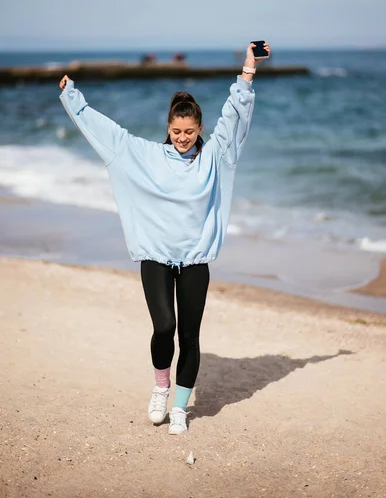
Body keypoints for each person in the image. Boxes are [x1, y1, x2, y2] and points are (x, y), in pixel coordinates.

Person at [59, 42, 270, 435]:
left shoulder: (216, 156)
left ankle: (179, 408)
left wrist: (248, 71)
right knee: (164, 328)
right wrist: (74, 99)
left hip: (195, 260)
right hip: (155, 256)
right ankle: (160, 388)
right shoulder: (148, 155)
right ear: (168, 128)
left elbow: (236, 115)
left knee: (190, 336)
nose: (183, 138)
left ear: (200, 130)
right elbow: (109, 135)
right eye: (176, 131)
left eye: (190, 132)